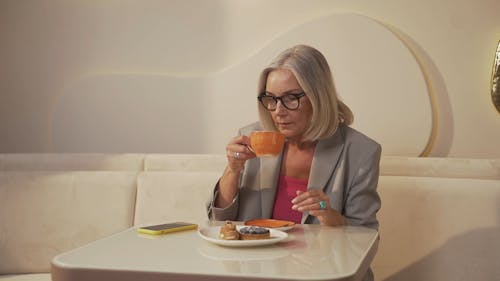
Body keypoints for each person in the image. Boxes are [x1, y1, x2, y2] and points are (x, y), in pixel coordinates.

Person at [207, 44, 381, 280]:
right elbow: (219, 221)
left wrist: (326, 213)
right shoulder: (254, 138)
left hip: (325, 273)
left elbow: (363, 237)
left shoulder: (360, 151)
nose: (278, 111)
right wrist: (232, 170)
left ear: (318, 96)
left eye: (291, 98)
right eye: (271, 99)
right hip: (258, 272)